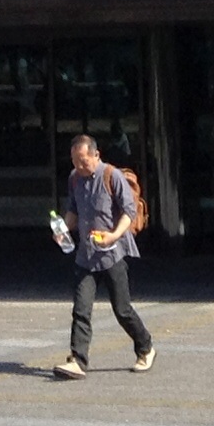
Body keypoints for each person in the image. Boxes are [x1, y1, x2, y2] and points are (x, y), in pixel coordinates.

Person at [52, 133, 154, 379]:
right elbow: (73, 211)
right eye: (75, 161)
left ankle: (146, 347)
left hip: (112, 254)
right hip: (85, 256)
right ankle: (78, 360)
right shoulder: (75, 179)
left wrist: (113, 236)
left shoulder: (112, 176)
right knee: (81, 309)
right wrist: (63, 230)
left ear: (96, 155)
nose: (79, 166)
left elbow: (129, 212)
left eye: (84, 161)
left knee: (123, 310)